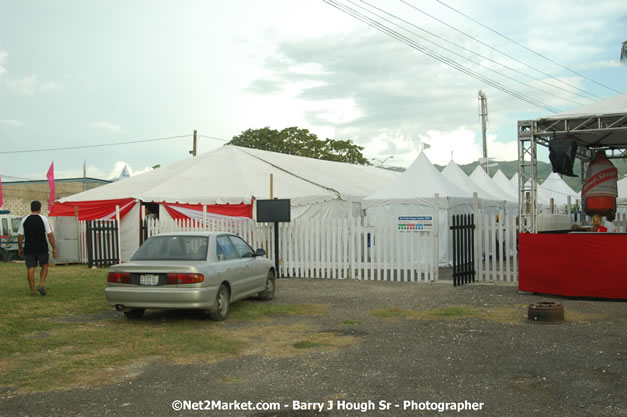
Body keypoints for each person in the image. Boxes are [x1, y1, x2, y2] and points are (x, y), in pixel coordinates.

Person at [17, 201, 57, 296]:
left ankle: (33, 291)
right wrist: (54, 248)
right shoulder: (43, 219)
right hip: (42, 247)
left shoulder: (24, 220)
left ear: (31, 209)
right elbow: (50, 234)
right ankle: (41, 284)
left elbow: (20, 236)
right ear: (40, 209)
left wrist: (20, 248)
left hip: (29, 248)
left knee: (31, 268)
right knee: (44, 265)